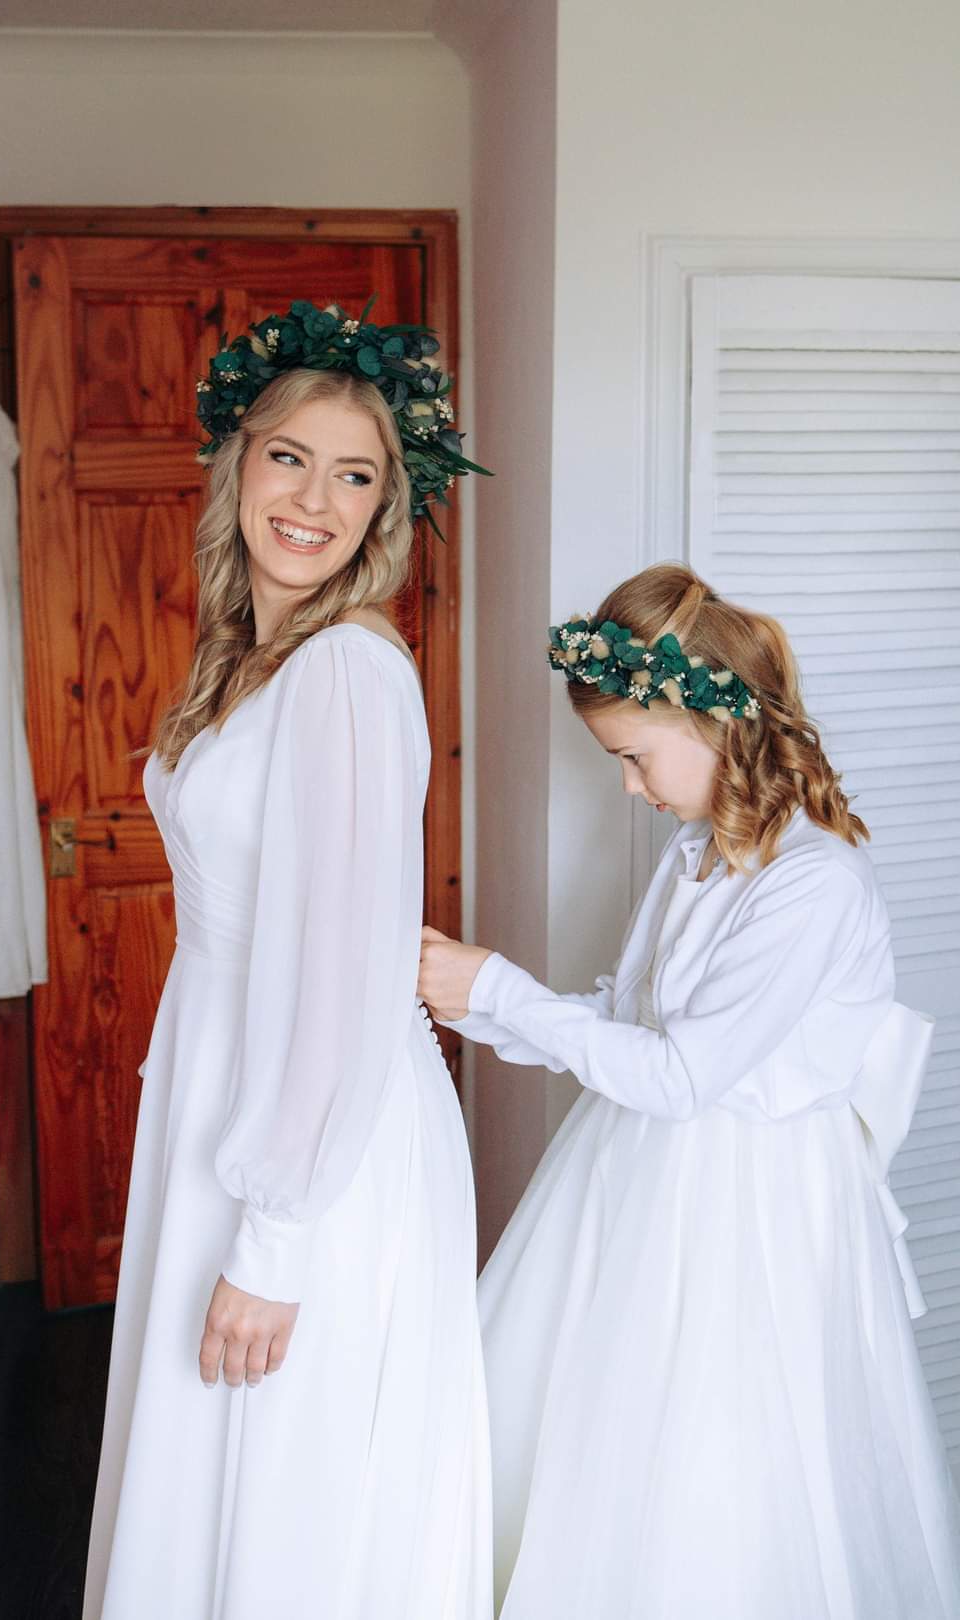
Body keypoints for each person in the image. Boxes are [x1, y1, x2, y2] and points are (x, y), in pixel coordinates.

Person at [418, 563, 960, 1619]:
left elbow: (682, 1076)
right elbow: (624, 1024)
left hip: (753, 1211)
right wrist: (473, 1003)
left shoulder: (814, 884)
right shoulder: (694, 858)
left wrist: (504, 990)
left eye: (633, 757)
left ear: (715, 724)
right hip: (640, 1178)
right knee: (601, 1436)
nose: (627, 786)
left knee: (723, 1465)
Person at [83, 302, 493, 1620]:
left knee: (291, 1486)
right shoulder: (249, 661)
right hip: (226, 1087)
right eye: (289, 458)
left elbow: (343, 971)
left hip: (311, 1135)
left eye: (356, 475)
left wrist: (277, 1235)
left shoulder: (349, 677)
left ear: (386, 513)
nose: (314, 498)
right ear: (238, 463)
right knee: (214, 1467)